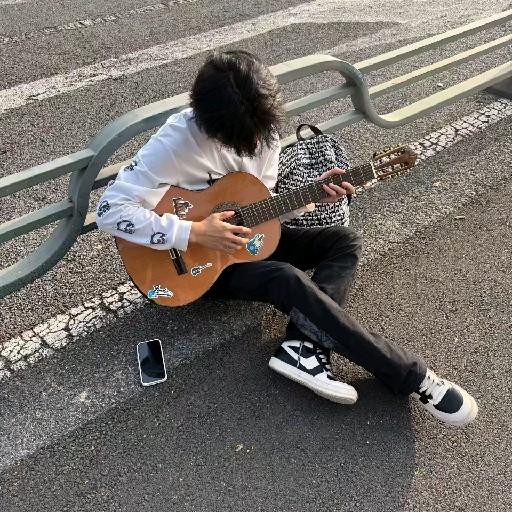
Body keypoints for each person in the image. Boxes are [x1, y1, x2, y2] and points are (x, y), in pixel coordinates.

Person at [96, 50, 478, 426]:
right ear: (208, 122)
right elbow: (110, 210)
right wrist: (194, 231)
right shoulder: (175, 142)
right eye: (238, 140)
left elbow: (257, 206)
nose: (253, 144)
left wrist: (311, 196)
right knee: (284, 277)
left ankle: (303, 346)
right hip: (190, 266)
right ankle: (412, 376)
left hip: (244, 241)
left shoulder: (265, 131)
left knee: (343, 241)